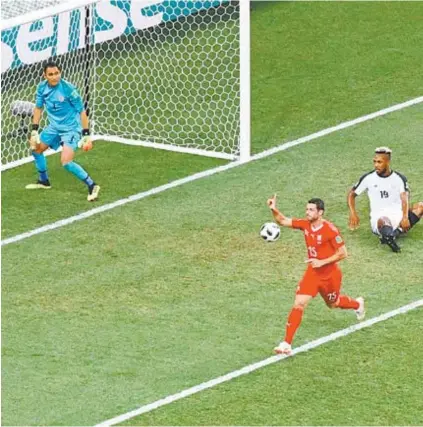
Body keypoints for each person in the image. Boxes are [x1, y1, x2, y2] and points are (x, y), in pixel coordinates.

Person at [267, 195, 364, 355]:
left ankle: (357, 304)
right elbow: (283, 221)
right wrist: (273, 209)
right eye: (307, 209)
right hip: (312, 274)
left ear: (320, 212)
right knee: (299, 303)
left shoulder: (330, 230)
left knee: (333, 304)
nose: (307, 212)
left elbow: (343, 253)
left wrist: (322, 262)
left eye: (311, 210)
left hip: (330, 275)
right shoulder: (305, 225)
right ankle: (286, 343)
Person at [26, 60, 100, 202]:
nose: (54, 77)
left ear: (60, 73)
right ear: (44, 75)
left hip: (71, 129)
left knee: (66, 162)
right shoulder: (42, 88)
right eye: (51, 74)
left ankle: (92, 185)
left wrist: (86, 134)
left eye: (57, 73)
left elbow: (81, 111)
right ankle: (44, 181)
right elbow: (38, 108)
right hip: (54, 127)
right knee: (35, 149)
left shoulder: (68, 89)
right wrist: (34, 130)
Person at [348, 147, 422, 252]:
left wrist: (405, 217)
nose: (376, 165)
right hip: (379, 219)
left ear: (387, 162)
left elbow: (404, 198)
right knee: (383, 220)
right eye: (374, 162)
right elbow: (351, 194)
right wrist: (353, 213)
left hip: (398, 216)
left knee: (420, 206)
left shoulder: (399, 178)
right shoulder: (368, 178)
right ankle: (392, 236)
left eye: (379, 162)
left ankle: (391, 235)